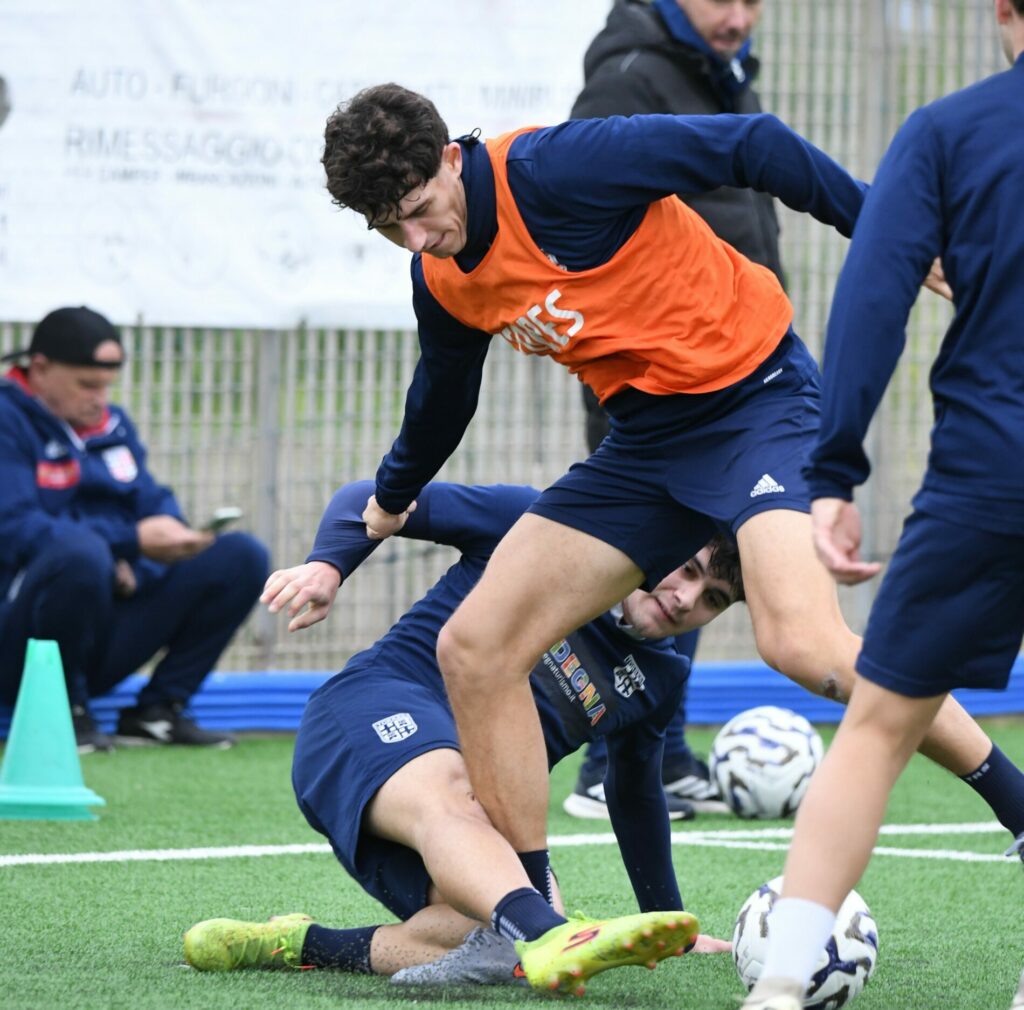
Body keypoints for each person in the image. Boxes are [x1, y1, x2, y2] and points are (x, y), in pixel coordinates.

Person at [319, 85, 1024, 922]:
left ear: (448, 158)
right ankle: (529, 915)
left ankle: (1015, 802)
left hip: (759, 404)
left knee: (802, 645)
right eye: (387, 227)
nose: (413, 235)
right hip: (648, 447)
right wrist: (392, 497)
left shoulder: (556, 167)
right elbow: (442, 397)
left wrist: (892, 236)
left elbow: (754, 144)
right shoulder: (438, 275)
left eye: (416, 208)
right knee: (474, 646)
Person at [739, 2, 1024, 1008]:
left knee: (877, 723)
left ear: (1001, 11)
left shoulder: (946, 131)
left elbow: (873, 296)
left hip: (991, 467)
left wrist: (835, 473)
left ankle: (781, 983)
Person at [184, 480, 742, 990]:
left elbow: (636, 797)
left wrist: (675, 931)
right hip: (366, 716)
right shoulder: (541, 523)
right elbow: (370, 496)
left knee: (495, 940)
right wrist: (327, 566)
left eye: (713, 599)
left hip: (468, 821)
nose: (688, 599)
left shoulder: (661, 677)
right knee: (506, 879)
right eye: (687, 569)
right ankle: (546, 929)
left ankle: (293, 944)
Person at [564, 0, 777, 819]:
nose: (740, 15)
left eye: (754, 0)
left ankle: (665, 751)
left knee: (702, 565)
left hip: (729, 375)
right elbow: (585, 219)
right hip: (656, 382)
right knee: (644, 558)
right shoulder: (630, 74)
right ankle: (601, 766)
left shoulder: (722, 79)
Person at [0, 306, 269, 753]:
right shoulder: (7, 419)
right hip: (19, 640)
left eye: (107, 385)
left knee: (240, 556)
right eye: (87, 384)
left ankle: (157, 711)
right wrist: (121, 546)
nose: (99, 398)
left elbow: (152, 503)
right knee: (80, 554)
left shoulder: (114, 424)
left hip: (104, 615)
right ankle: (63, 711)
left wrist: (147, 552)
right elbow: (14, 526)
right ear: (41, 369)